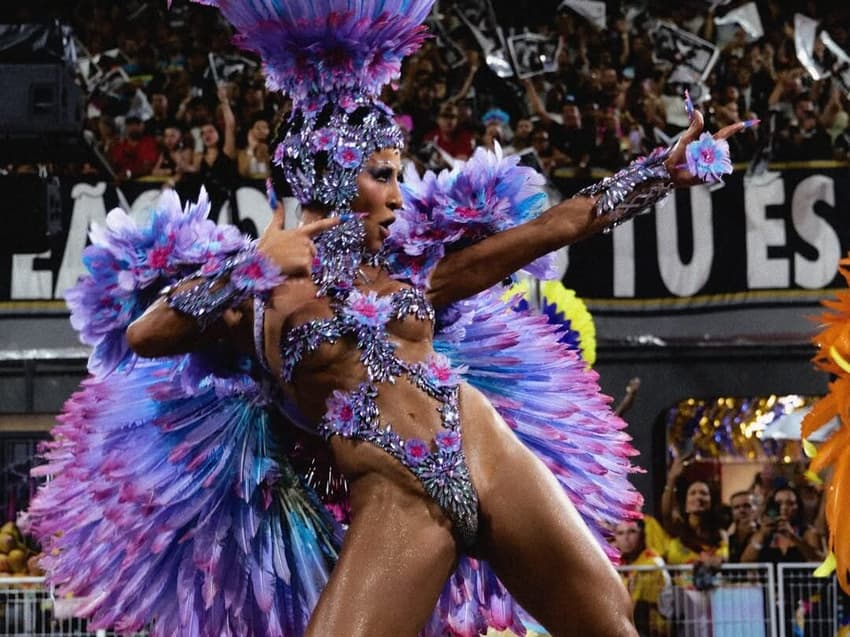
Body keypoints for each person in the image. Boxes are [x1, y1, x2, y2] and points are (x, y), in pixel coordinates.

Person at [28, 2, 751, 636]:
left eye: (398, 175)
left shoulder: (414, 274)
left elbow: (553, 226)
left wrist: (661, 172)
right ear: (333, 176)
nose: (399, 196)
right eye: (382, 174)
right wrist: (250, 266)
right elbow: (144, 334)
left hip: (489, 452)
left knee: (609, 620)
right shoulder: (260, 297)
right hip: (400, 500)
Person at [614, 519, 671, 637]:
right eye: (620, 533)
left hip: (651, 627)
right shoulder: (617, 563)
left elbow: (638, 604)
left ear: (643, 535)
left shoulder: (653, 562)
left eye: (632, 532)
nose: (626, 538)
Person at [739, 486, 824, 563]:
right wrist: (762, 534)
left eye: (790, 503)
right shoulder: (762, 531)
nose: (784, 508)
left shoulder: (808, 532)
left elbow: (818, 560)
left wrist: (793, 536)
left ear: (798, 506)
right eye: (778, 503)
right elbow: (746, 562)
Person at [727, 490, 758, 563]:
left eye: (747, 506)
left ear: (756, 509)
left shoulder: (766, 533)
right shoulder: (726, 537)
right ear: (732, 512)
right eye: (736, 507)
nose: (741, 510)